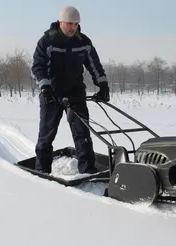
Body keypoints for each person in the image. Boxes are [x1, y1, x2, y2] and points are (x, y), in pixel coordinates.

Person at [31, 6, 110, 175]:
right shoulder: (47, 41)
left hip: (75, 92)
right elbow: (38, 67)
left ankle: (88, 170)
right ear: (61, 22)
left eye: (76, 24)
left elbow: (94, 65)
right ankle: (42, 170)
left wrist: (103, 85)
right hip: (51, 93)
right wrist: (45, 88)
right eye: (69, 23)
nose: (73, 27)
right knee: (47, 134)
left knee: (82, 134)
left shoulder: (83, 42)